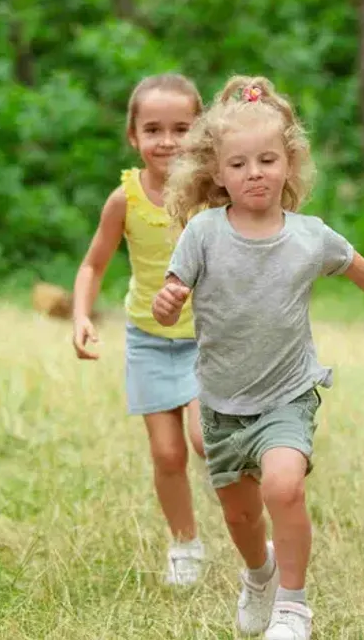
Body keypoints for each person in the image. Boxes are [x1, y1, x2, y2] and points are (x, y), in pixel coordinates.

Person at [153, 76, 364, 640]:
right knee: (239, 515)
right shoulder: (203, 233)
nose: (254, 172)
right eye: (238, 164)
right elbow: (170, 305)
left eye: (266, 159)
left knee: (283, 487)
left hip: (287, 394)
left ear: (290, 163)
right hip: (221, 402)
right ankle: (258, 575)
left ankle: (292, 604)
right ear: (217, 172)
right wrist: (166, 303)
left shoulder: (310, 237)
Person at [71, 74, 208, 586]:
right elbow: (92, 265)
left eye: (181, 128)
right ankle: (186, 544)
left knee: (204, 440)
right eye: (153, 129)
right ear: (133, 136)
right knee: (166, 453)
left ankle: (252, 524)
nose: (167, 141)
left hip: (206, 340)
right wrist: (82, 315)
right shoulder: (124, 199)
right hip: (149, 339)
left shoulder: (215, 194)